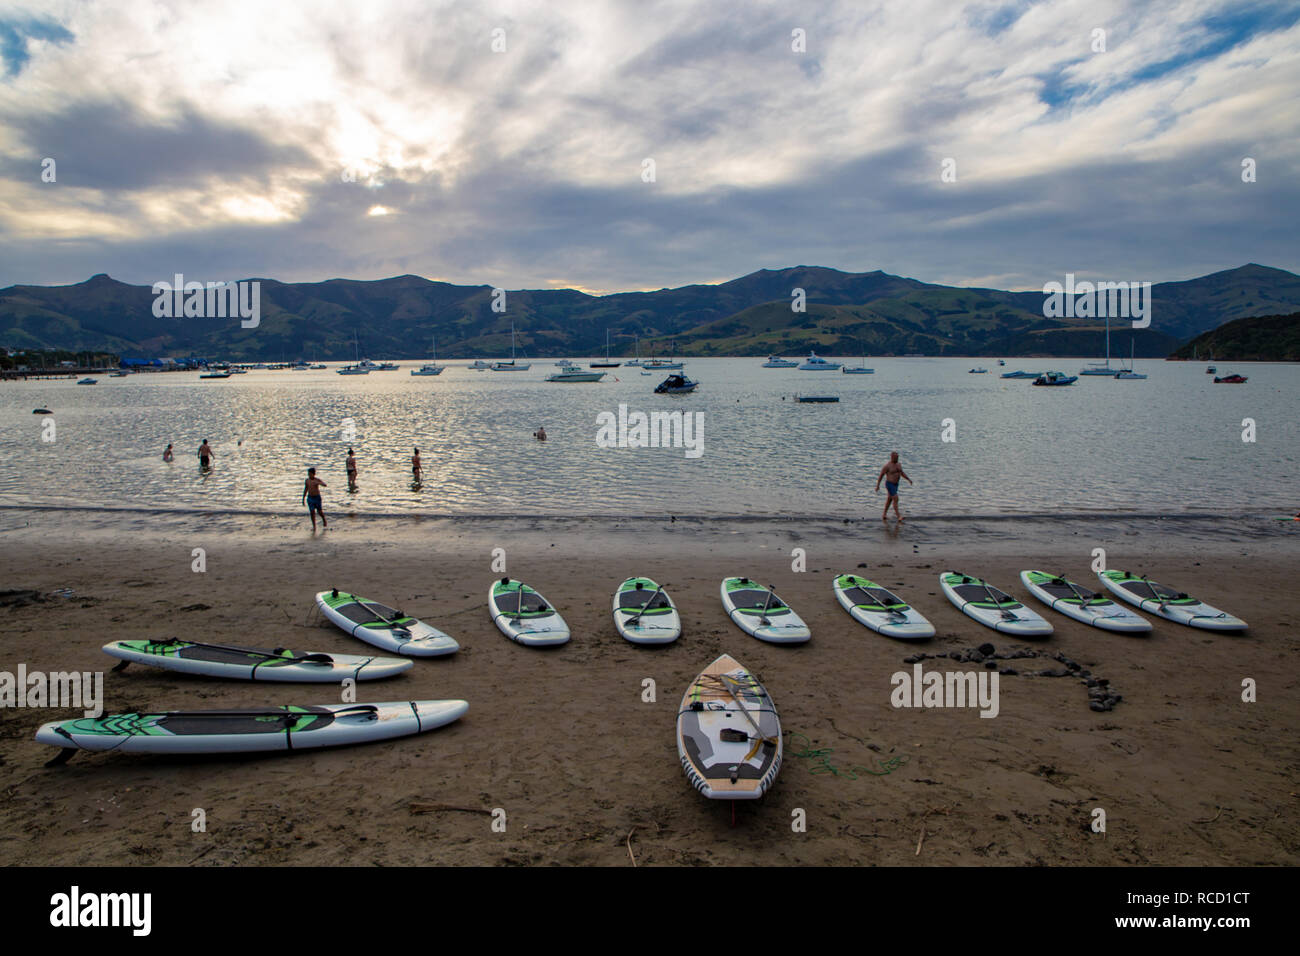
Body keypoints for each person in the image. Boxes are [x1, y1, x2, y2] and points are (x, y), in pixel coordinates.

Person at [875, 451, 913, 521]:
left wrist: (908, 479)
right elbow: (881, 476)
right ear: (892, 457)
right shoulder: (887, 466)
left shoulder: (899, 464)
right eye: (896, 457)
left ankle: (884, 514)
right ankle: (898, 516)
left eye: (898, 457)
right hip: (889, 484)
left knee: (889, 499)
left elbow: (902, 473)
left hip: (896, 485)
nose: (897, 458)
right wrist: (878, 486)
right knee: (896, 498)